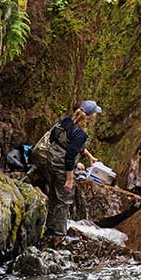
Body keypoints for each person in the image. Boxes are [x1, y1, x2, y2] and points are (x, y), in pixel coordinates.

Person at [45, 100, 101, 236]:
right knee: (64, 199)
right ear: (90, 116)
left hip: (51, 159)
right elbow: (70, 156)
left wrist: (89, 156)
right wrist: (69, 179)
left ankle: (49, 228)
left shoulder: (68, 120)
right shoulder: (81, 133)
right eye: (95, 114)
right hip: (62, 165)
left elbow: (56, 137)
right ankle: (59, 234)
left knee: (53, 194)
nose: (95, 116)